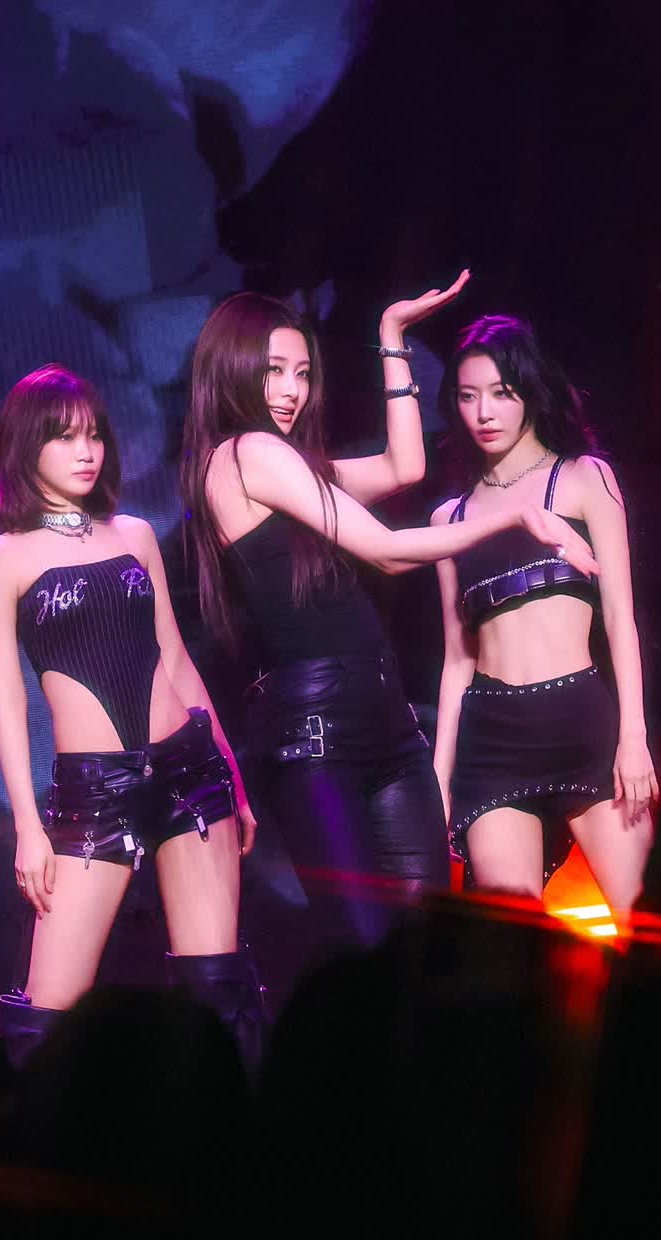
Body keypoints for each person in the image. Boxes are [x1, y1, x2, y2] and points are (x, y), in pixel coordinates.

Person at [178, 279, 599, 961]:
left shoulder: (286, 467)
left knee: (422, 952)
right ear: (231, 368)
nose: (291, 391)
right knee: (372, 961)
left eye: (303, 373)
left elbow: (405, 465)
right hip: (317, 729)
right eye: (274, 371)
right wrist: (515, 518)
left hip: (383, 716)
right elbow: (387, 549)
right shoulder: (246, 454)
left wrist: (392, 339)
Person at [0, 365, 265, 1067]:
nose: (87, 451)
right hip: (94, 792)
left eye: (95, 434)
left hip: (191, 772)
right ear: (25, 445)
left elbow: (177, 660)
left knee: (216, 995)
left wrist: (232, 775)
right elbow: (6, 701)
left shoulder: (133, 534)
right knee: (46, 1018)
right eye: (66, 437)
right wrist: (27, 827)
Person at [429, 315, 655, 925]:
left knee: (651, 929)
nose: (484, 412)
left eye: (501, 392)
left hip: (584, 728)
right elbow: (457, 659)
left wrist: (633, 737)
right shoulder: (450, 519)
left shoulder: (583, 478)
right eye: (468, 396)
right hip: (492, 745)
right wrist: (439, 778)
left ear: (529, 390)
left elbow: (621, 618)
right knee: (510, 949)